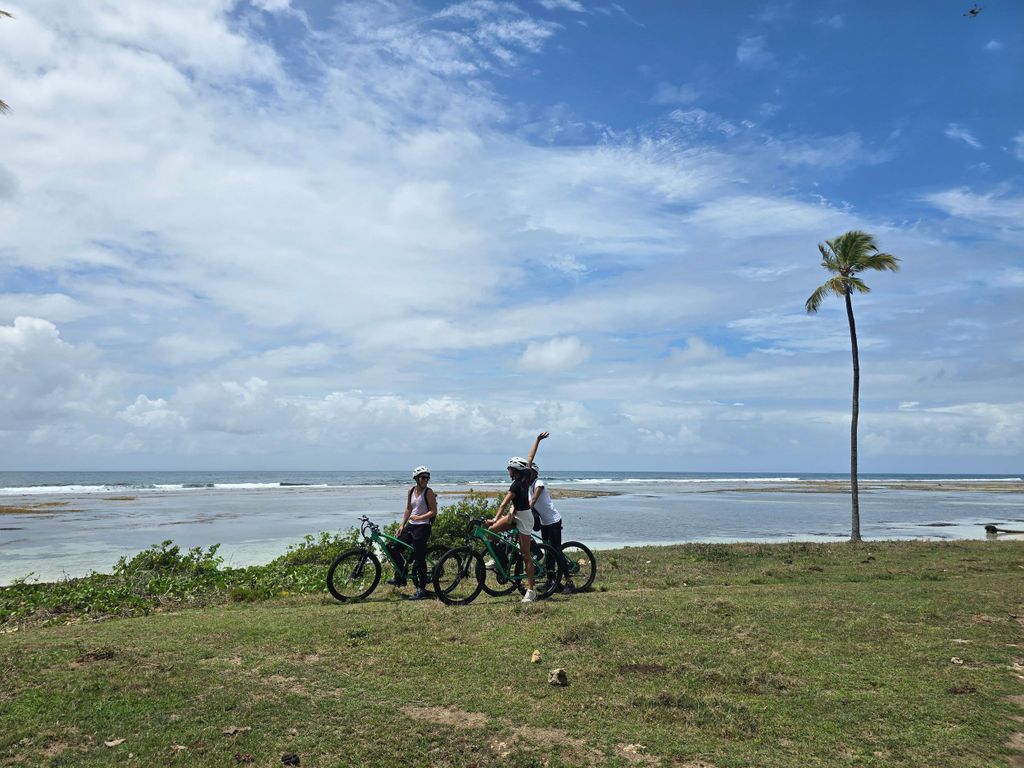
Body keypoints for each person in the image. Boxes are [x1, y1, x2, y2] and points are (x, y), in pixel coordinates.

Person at [487, 431, 549, 602]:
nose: (508, 471)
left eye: (509, 469)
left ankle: (531, 590)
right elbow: (530, 456)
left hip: (526, 518)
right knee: (491, 532)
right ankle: (498, 559)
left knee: (525, 555)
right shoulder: (528, 475)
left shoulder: (515, 484)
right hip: (515, 515)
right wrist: (537, 440)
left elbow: (503, 503)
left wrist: (495, 516)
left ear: (515, 471)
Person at [387, 466, 437, 600]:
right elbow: (409, 508)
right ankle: (401, 577)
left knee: (419, 557)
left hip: (423, 527)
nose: (426, 480)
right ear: (416, 479)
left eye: (427, 478)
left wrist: (420, 518)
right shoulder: (411, 491)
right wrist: (402, 524)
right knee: (392, 547)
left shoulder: (429, 492)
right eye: (423, 477)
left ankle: (422, 589)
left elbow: (433, 511)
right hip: (411, 525)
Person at [529, 462, 574, 594]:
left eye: (531, 471)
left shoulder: (538, 483)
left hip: (553, 521)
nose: (528, 474)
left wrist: (528, 507)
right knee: (548, 552)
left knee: (557, 551)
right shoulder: (528, 486)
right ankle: (551, 581)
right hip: (544, 523)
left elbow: (534, 499)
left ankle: (569, 582)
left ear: (535, 473)